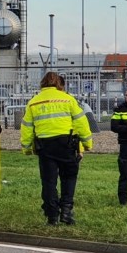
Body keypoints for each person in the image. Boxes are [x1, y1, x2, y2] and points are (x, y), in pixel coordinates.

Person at [20, 72, 93, 226]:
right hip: (66, 144)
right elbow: (81, 123)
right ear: (60, 84)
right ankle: (66, 213)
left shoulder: (34, 102)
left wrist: (27, 148)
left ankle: (52, 215)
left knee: (48, 181)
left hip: (44, 146)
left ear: (42, 83)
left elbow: (27, 127)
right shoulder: (68, 99)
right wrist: (87, 143)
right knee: (69, 178)